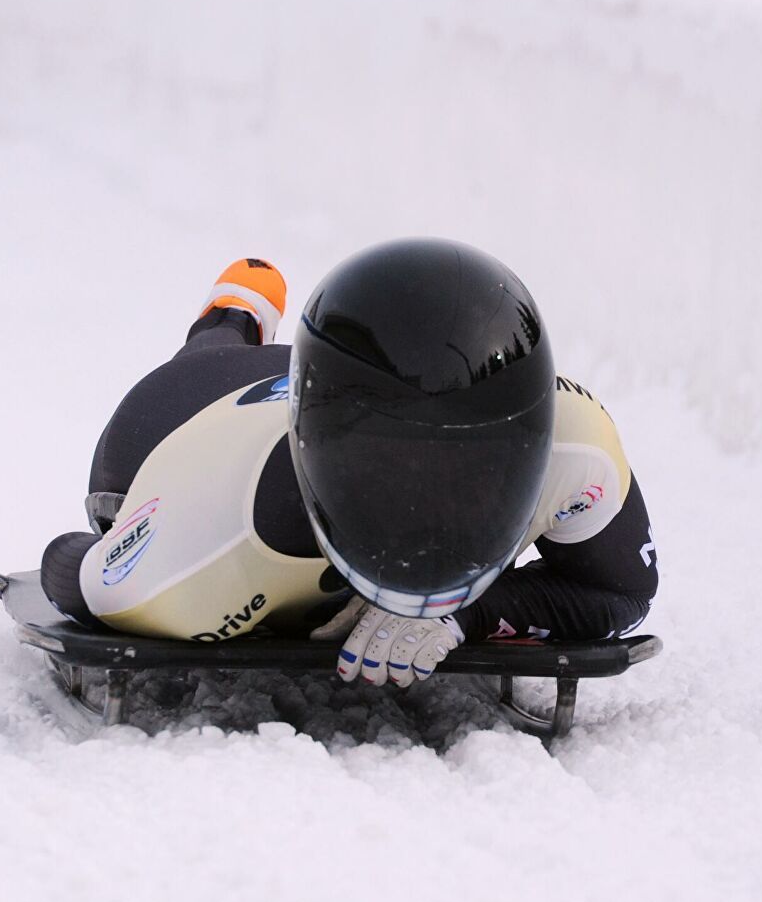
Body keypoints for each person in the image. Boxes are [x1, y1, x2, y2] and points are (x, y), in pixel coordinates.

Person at [38, 238, 658, 687]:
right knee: (208, 355)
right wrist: (121, 547)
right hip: (179, 416)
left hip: (322, 392)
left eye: (472, 460)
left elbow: (623, 589)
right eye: (396, 466)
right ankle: (232, 315)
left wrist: (474, 612)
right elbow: (71, 573)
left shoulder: (579, 446)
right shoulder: (198, 541)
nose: (428, 508)